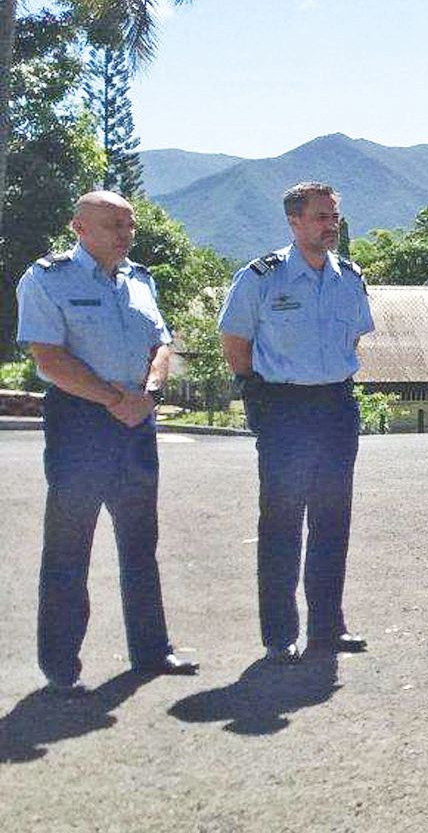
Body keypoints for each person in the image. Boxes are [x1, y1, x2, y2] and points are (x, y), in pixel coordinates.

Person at [16, 191, 196, 694]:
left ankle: (152, 651)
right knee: (69, 547)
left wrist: (149, 394)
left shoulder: (139, 280)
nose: (125, 234)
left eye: (129, 224)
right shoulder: (47, 279)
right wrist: (113, 399)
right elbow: (50, 358)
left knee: (140, 544)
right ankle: (61, 668)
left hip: (137, 420)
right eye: (114, 224)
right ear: (79, 228)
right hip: (81, 423)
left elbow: (160, 343)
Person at [219, 182, 376, 662]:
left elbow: (354, 339)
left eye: (334, 217)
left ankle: (327, 627)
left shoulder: (349, 277)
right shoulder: (262, 277)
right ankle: (279, 635)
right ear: (294, 222)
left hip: (335, 405)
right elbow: (236, 345)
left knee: (332, 521)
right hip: (284, 407)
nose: (331, 226)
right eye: (321, 217)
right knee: (282, 522)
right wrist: (261, 396)